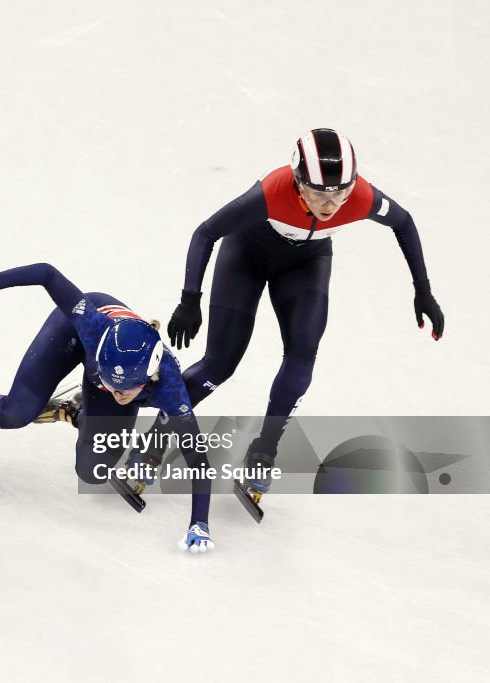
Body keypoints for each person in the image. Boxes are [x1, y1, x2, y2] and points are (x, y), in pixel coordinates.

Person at [164, 128, 444, 499]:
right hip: (248, 252)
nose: (330, 205)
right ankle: (159, 436)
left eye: (340, 193)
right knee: (220, 363)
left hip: (306, 262)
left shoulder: (361, 197)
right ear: (298, 184)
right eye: (317, 193)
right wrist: (189, 299)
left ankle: (264, 449)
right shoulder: (271, 192)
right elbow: (206, 233)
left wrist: (423, 290)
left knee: (302, 356)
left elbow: (404, 222)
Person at [0, 263, 216, 552]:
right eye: (110, 384)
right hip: (72, 334)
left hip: (109, 364)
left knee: (93, 471)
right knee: (16, 412)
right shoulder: (92, 323)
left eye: (123, 389)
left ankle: (76, 412)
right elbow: (47, 274)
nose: (116, 393)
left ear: (152, 375)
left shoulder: (172, 391)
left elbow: (198, 458)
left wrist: (199, 523)